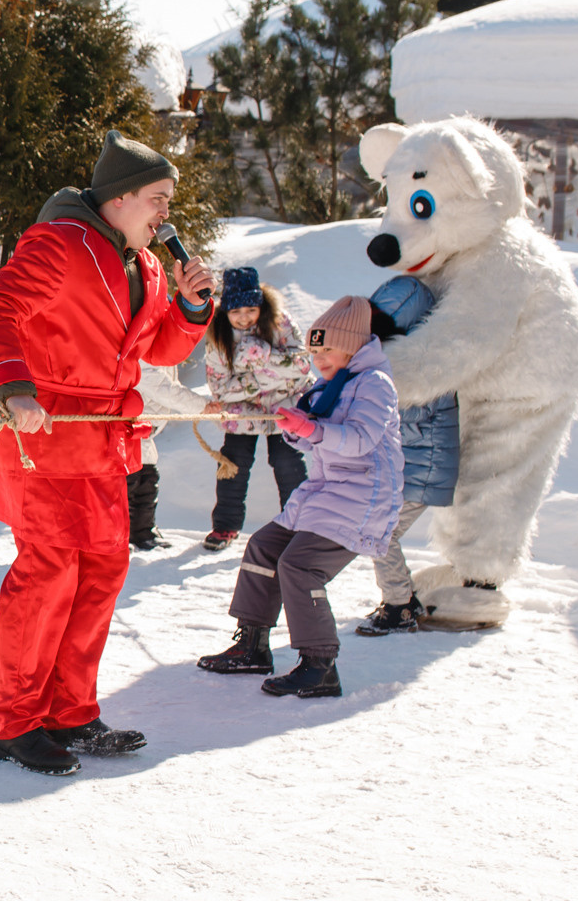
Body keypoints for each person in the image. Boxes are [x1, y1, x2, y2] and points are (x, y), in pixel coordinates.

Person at [0, 131, 214, 775]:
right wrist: (15, 389)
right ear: (120, 197)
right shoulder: (60, 243)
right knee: (47, 579)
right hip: (44, 443)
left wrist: (190, 307)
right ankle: (16, 723)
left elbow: (157, 349)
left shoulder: (148, 267)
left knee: (102, 574)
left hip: (105, 448)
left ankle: (70, 712)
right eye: (158, 198)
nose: (166, 211)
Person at [196, 297, 404, 697]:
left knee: (300, 565)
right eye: (314, 352)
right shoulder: (334, 383)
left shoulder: (374, 384)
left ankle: (319, 665)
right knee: (263, 547)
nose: (318, 360)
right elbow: (318, 439)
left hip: (363, 497)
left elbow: (360, 439)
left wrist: (312, 430)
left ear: (353, 347)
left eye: (327, 350)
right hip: (327, 493)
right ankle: (253, 646)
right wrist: (297, 429)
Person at [356, 276, 460, 635]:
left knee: (381, 534)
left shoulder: (423, 363)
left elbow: (413, 415)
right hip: (415, 466)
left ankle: (399, 606)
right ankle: (404, 599)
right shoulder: (404, 358)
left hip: (424, 468)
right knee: (378, 532)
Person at [200, 267, 314, 550]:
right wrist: (270, 377)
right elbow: (221, 388)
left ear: (262, 306)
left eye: (251, 310)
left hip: (284, 407)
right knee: (233, 463)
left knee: (287, 461)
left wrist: (263, 357)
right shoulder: (219, 334)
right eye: (236, 311)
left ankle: (299, 524)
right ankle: (225, 525)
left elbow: (301, 366)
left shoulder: (279, 323)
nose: (244, 317)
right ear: (225, 311)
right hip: (243, 411)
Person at [128, 358, 207, 552]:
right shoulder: (142, 349)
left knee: (147, 479)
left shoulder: (162, 350)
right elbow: (159, 385)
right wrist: (201, 405)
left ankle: (143, 531)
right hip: (130, 423)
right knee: (127, 483)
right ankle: (120, 534)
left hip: (146, 427)